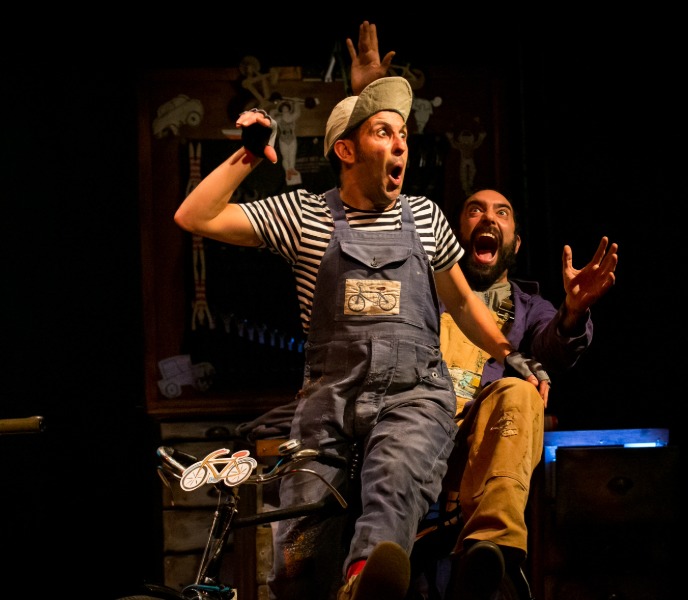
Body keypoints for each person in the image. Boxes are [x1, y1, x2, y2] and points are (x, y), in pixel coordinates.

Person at [173, 21, 549, 600]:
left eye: (403, 135)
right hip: (329, 402)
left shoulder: (424, 217)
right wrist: (249, 155)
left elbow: (461, 301)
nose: (400, 145)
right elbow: (194, 216)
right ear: (345, 151)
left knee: (393, 481)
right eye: (383, 133)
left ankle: (363, 586)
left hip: (413, 394)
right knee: (298, 553)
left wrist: (509, 352)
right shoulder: (305, 215)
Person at [419, 189, 617, 600]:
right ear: (454, 234)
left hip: (480, 441)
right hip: (416, 430)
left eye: (502, 213)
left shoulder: (528, 307)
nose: (488, 218)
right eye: (475, 210)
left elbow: (552, 348)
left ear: (517, 242)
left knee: (523, 392)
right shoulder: (424, 292)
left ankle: (494, 550)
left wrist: (573, 312)